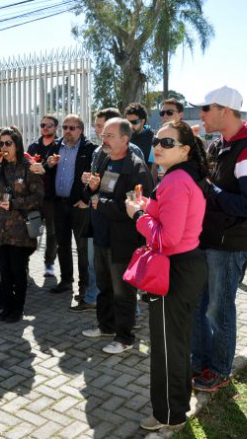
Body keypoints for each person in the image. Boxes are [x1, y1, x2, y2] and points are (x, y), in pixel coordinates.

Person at [125, 121, 209, 431]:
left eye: (168, 143)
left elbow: (168, 238)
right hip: (186, 266)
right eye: (157, 141)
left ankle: (168, 415)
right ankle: (177, 404)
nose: (158, 146)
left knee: (166, 347)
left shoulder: (175, 180)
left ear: (185, 150)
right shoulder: (185, 175)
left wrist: (138, 216)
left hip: (175, 267)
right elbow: (177, 218)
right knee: (175, 342)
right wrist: (149, 206)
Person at [191, 86, 247, 391]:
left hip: (229, 245)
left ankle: (220, 369)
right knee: (200, 306)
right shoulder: (218, 145)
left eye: (206, 109)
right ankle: (200, 361)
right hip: (208, 240)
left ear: (224, 110)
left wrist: (212, 191)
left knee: (219, 310)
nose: (201, 115)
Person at [81, 118, 154, 354]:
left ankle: (125, 338)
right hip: (101, 235)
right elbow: (93, 194)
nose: (104, 140)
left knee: (123, 291)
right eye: (103, 135)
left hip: (122, 240)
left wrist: (99, 202)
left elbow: (135, 208)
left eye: (110, 136)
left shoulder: (136, 168)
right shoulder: (103, 158)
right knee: (104, 285)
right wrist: (92, 187)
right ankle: (106, 326)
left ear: (125, 139)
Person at [0, 127, 44, 323]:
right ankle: (7, 305)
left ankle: (17, 308)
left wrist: (15, 204)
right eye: (1, 143)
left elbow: (38, 197)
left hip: (19, 229)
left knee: (18, 270)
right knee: (4, 270)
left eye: (8, 143)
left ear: (17, 145)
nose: (4, 147)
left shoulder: (28, 166)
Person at [46, 114, 98, 313]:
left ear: (81, 130)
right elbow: (44, 169)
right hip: (59, 204)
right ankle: (66, 280)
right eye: (65, 127)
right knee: (62, 244)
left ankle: (84, 287)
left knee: (83, 247)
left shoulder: (90, 149)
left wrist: (85, 199)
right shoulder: (56, 146)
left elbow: (96, 178)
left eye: (72, 128)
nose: (67, 131)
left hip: (79, 205)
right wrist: (48, 165)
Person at [27, 115, 59, 278]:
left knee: (52, 233)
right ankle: (24, 263)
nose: (45, 128)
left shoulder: (60, 146)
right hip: (35, 196)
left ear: (55, 128)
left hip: (52, 197)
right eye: (43, 125)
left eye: (49, 125)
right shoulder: (33, 147)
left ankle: (49, 264)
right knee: (31, 230)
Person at [124, 102, 155, 166]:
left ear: (142, 121)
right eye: (127, 122)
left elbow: (153, 166)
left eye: (134, 122)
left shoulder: (153, 141)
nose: (130, 125)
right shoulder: (124, 137)